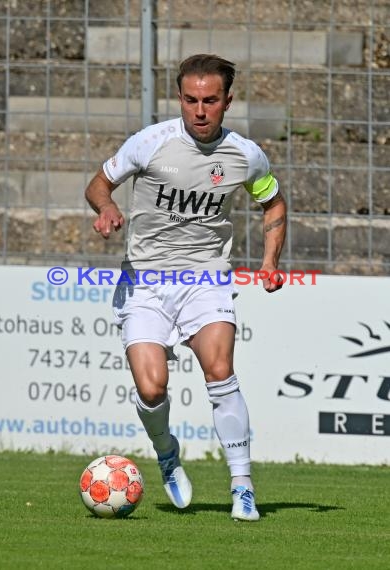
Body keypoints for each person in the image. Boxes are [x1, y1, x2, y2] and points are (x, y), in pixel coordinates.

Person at [85, 54, 286, 521]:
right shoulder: (150, 143)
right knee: (152, 388)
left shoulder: (246, 155)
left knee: (220, 369)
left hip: (206, 279)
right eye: (190, 99)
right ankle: (166, 451)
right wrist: (106, 208)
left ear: (227, 101)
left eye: (210, 100)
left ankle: (242, 486)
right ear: (180, 98)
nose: (199, 110)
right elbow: (99, 182)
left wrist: (270, 261)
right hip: (146, 282)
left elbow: (273, 204)